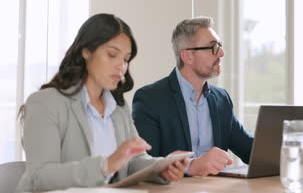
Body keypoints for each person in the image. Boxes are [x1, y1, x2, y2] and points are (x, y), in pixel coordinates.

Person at [16, 14, 188, 192]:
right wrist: (105, 165)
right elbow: (40, 176)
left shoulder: (118, 107)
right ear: (86, 52)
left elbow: (134, 162)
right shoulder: (45, 102)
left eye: (125, 59)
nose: (121, 66)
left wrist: (161, 168)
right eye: (112, 54)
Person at [132, 16, 253, 177]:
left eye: (220, 46)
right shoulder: (150, 99)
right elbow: (143, 164)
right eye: (213, 47)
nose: (221, 53)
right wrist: (192, 166)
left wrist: (288, 145)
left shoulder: (221, 99)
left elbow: (250, 150)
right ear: (187, 56)